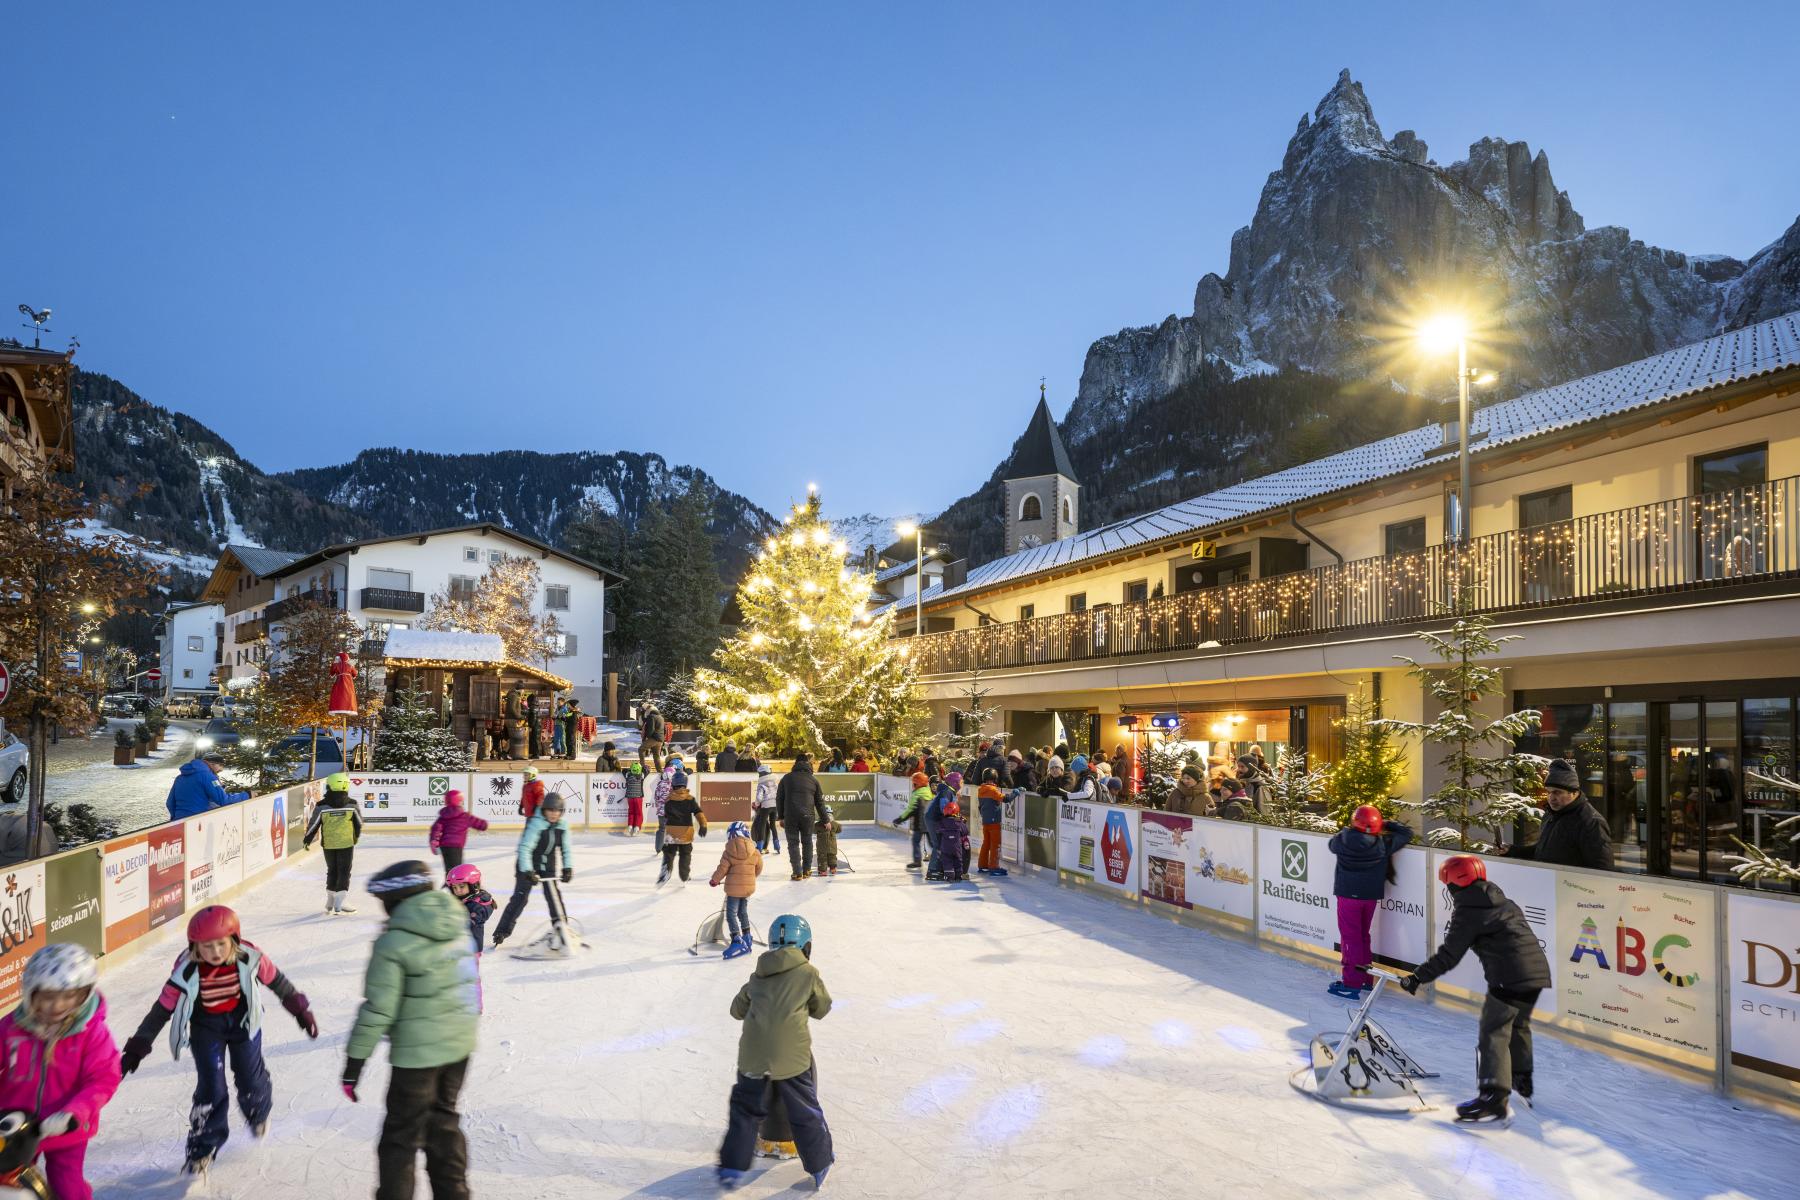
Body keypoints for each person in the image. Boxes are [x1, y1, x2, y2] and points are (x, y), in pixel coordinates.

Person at [121, 906, 318, 1175]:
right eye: (206, 946)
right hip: (206, 1029)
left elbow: (278, 981)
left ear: (234, 940)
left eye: (221, 944)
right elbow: (161, 1010)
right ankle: (202, 1147)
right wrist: (139, 1046)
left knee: (249, 1076)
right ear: (195, 946)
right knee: (211, 1087)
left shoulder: (249, 957)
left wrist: (300, 1009)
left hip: (244, 1023)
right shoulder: (186, 971)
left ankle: (258, 1110)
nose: (215, 952)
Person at [344, 861, 479, 1200]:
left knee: (400, 1139)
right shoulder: (455, 920)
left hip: (418, 1058)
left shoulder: (393, 943)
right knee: (443, 1125)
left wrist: (354, 1064)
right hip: (459, 1047)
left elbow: (378, 1009)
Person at [1401, 855, 1552, 1124]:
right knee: (1518, 1026)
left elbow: (1449, 955)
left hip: (1510, 975)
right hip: (1537, 972)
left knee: (1493, 1031)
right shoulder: (1503, 900)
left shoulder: (1468, 910)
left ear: (1454, 884)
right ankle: (1521, 1081)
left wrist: (1417, 977)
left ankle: (1493, 1099)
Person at [716, 915, 833, 1192]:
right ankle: (819, 1164)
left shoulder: (757, 976)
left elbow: (736, 1010)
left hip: (753, 1057)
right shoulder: (808, 973)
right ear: (806, 946)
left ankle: (732, 1167)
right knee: (805, 1110)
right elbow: (822, 1008)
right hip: (791, 1057)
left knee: (744, 1110)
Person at [0, 944, 122, 1200]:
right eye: (47, 996)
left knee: (67, 1186)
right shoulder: (12, 1027)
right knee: (8, 1184)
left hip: (65, 1127)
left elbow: (103, 1079)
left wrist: (74, 1113)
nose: (57, 1005)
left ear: (85, 994)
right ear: (31, 991)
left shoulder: (91, 1033)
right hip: (15, 1129)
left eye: (69, 996)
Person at [1326, 805, 1414, 999]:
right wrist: (1385, 823)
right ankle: (1365, 979)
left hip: (1348, 896)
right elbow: (1407, 833)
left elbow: (1331, 845)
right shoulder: (1384, 843)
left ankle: (1351, 984)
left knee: (1350, 939)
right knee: (1363, 936)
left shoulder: (1342, 839)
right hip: (1369, 897)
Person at [491, 792, 573, 949]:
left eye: (557, 811)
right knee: (520, 898)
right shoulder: (536, 824)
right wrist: (528, 871)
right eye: (550, 810)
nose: (554, 814)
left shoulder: (562, 827)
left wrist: (567, 868)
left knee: (554, 896)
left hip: (547, 865)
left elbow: (566, 849)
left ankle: (562, 930)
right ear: (544, 810)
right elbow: (525, 848)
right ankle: (501, 932)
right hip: (527, 864)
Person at [1506, 758, 1613, 870]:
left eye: (1557, 792)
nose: (1551, 798)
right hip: (1549, 882)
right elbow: (1541, 851)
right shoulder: (1551, 814)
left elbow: (1603, 870)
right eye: (1548, 792)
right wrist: (1512, 851)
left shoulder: (1591, 822)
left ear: (1574, 792)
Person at [303, 772, 364, 915]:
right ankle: (339, 902)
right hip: (346, 843)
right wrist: (356, 837)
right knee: (344, 871)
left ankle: (330, 900)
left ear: (330, 786)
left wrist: (307, 840)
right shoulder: (352, 804)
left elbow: (314, 824)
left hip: (329, 844)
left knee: (332, 870)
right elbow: (359, 824)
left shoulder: (321, 805)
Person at [444, 864, 495, 1011]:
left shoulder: (479, 904)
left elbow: (474, 919)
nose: (458, 891)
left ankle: (474, 1006)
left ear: (473, 885)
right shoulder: (464, 900)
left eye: (461, 887)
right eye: (455, 888)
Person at [710, 821, 763, 959]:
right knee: (742, 912)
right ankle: (747, 936)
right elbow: (759, 867)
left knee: (731, 914)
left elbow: (722, 869)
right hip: (748, 889)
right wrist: (751, 878)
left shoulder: (728, 852)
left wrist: (714, 880)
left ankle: (736, 940)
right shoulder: (755, 850)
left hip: (733, 890)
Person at [777, 752, 826, 880]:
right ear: (808, 764)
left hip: (790, 815)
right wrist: (825, 819)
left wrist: (781, 817)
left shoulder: (786, 778)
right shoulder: (814, 780)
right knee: (807, 842)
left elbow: (779, 799)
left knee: (793, 843)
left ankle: (797, 872)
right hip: (807, 816)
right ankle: (807, 870)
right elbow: (819, 802)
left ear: (795, 763)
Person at [658, 771, 708, 885]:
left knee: (669, 853)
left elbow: (666, 815)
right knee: (685, 854)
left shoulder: (668, 800)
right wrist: (703, 825)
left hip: (671, 833)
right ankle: (684, 875)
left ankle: (666, 871)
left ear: (673, 784)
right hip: (686, 834)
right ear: (685, 783)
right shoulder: (690, 799)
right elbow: (698, 813)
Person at [166, 751, 246, 820]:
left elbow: (170, 803)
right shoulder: (208, 777)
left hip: (179, 820)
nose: (221, 769)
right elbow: (223, 800)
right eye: (220, 765)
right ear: (212, 764)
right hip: (199, 820)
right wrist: (247, 795)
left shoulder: (180, 778)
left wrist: (175, 818)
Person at [429, 789, 488, 871]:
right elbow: (481, 825)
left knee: (449, 869)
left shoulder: (442, 817)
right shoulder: (464, 816)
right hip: (456, 847)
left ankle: (448, 882)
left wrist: (434, 841)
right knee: (456, 871)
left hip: (444, 846)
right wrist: (484, 824)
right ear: (459, 801)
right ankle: (452, 883)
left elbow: (435, 829)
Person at [923, 771, 960, 880]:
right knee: (938, 844)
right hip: (933, 819)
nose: (962, 784)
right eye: (960, 781)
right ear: (955, 782)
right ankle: (932, 871)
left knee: (941, 843)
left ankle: (939, 868)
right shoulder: (946, 792)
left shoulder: (948, 791)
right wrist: (952, 817)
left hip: (934, 818)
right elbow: (944, 807)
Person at [976, 770, 1008, 876]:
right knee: (995, 844)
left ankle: (982, 864)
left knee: (986, 843)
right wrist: (1016, 792)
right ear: (995, 778)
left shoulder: (981, 790)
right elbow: (1005, 799)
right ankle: (994, 866)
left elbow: (980, 806)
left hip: (986, 821)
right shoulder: (993, 790)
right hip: (994, 822)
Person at [897, 771, 931, 870]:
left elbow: (910, 810)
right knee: (933, 843)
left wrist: (900, 819)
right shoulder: (928, 792)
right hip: (929, 823)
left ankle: (917, 861)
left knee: (915, 841)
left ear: (918, 783)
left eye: (914, 783)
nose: (913, 785)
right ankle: (940, 859)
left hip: (919, 824)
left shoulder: (916, 794)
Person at [939, 798, 971, 882]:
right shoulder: (959, 823)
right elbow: (965, 832)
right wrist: (963, 822)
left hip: (945, 847)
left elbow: (937, 830)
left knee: (947, 861)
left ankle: (950, 876)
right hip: (957, 847)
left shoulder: (942, 822)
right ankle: (958, 876)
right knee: (958, 860)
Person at [753, 764, 782, 854]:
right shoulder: (775, 782)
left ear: (762, 773)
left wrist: (757, 804)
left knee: (762, 825)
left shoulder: (761, 784)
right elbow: (779, 794)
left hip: (765, 807)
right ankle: (777, 845)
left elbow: (759, 797)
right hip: (774, 806)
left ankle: (760, 846)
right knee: (773, 825)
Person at [815, 804, 843, 877]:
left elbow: (812, 830)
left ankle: (823, 871)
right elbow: (840, 829)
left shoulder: (818, 825)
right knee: (832, 857)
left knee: (822, 858)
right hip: (832, 846)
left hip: (821, 847)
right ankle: (833, 868)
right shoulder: (835, 824)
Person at [639, 703, 667, 772]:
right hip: (660, 740)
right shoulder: (661, 718)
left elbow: (651, 729)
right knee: (656, 756)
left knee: (641, 749)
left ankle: (642, 767)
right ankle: (660, 771)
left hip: (654, 738)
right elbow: (665, 729)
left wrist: (648, 737)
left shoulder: (651, 717)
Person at [623, 762, 647, 835]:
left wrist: (630, 770)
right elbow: (647, 769)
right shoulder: (641, 776)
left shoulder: (627, 776)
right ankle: (636, 828)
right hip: (638, 797)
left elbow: (623, 771)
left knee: (631, 812)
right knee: (639, 813)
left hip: (630, 797)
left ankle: (630, 826)